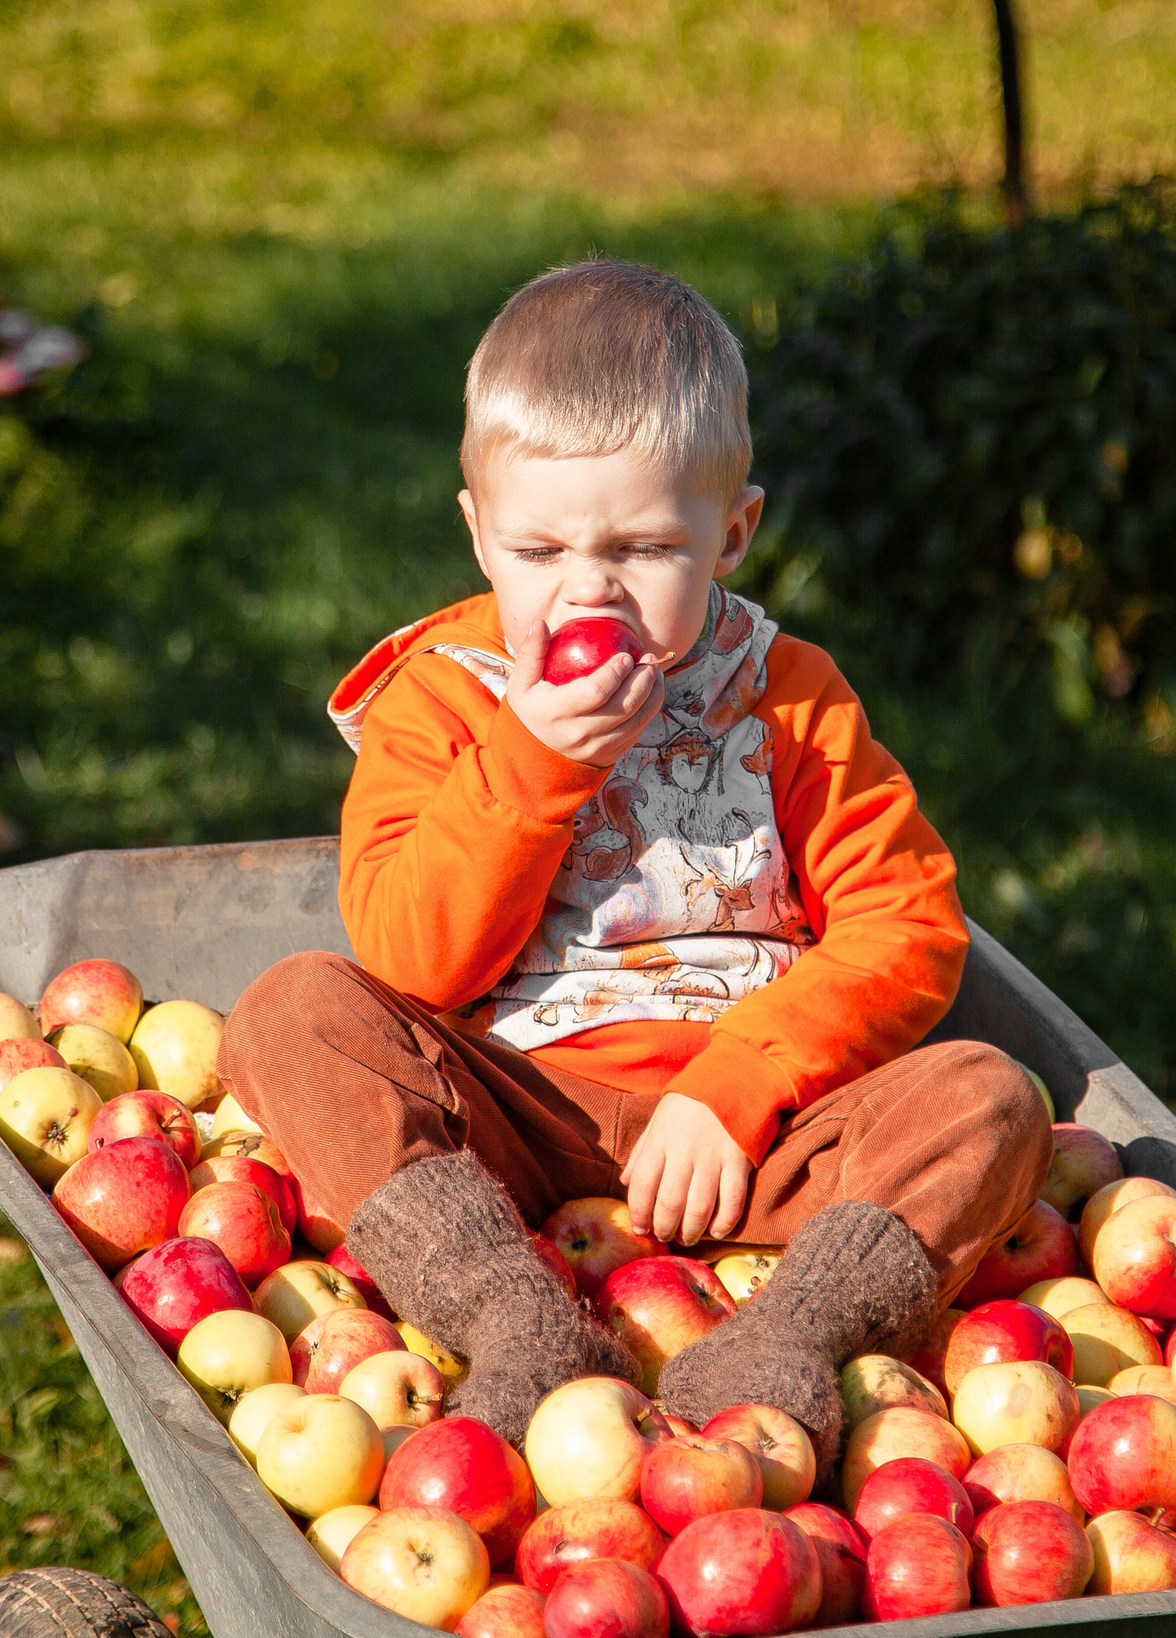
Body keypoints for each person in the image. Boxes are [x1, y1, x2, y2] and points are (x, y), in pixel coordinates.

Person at [216, 259, 1051, 1462]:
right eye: (539, 551)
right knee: (294, 1012)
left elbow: (906, 924)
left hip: (754, 1142)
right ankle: (513, 1320)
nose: (585, 596)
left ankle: (785, 1337)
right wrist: (531, 765)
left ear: (731, 535)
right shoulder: (445, 701)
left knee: (987, 1097)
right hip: (511, 1122)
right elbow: (411, 959)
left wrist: (737, 1084)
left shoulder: (784, 697)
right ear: (477, 534)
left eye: (643, 548)